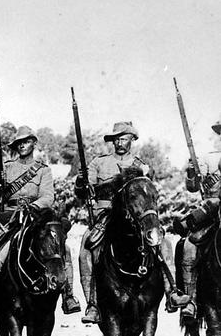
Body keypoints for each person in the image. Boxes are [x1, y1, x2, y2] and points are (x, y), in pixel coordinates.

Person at [75, 121, 188, 323]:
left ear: (132, 140)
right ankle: (92, 304)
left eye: (124, 138)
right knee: (87, 246)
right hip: (107, 215)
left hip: (136, 217)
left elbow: (149, 189)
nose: (120, 142)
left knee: (163, 242)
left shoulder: (140, 165)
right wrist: (81, 183)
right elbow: (85, 191)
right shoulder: (97, 163)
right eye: (117, 138)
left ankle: (172, 291)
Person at [0, 126, 81, 314]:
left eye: (26, 141)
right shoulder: (5, 168)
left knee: (63, 248)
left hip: (36, 215)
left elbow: (48, 196)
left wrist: (34, 207)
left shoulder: (43, 170)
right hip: (11, 214)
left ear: (34, 143)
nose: (22, 145)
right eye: (19, 143)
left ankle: (68, 294)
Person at [174, 118, 221, 320]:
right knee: (189, 246)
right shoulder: (208, 158)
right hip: (211, 209)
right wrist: (192, 171)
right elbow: (193, 187)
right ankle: (190, 299)